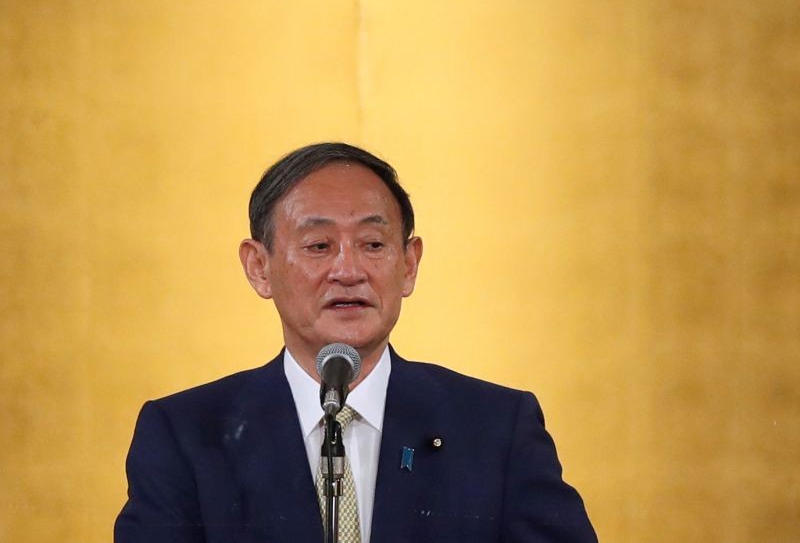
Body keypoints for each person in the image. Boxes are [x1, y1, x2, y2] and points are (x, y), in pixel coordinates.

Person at [114, 142, 597, 542]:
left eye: (373, 244)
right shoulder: (187, 437)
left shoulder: (495, 430)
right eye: (319, 246)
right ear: (259, 267)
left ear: (408, 264)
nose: (348, 271)